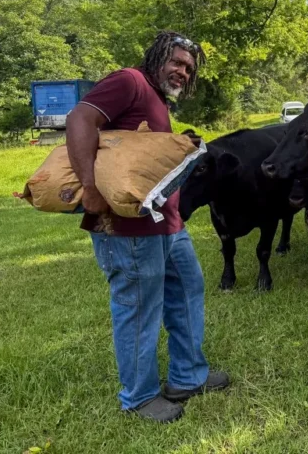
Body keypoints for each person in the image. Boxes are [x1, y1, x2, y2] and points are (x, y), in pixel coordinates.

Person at [66, 31, 229, 423]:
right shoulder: (129, 81)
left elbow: (135, 152)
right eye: (176, 62)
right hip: (127, 229)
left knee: (188, 290)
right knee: (139, 307)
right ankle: (139, 397)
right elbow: (79, 118)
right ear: (157, 57)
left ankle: (188, 376)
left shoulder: (155, 97)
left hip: (166, 223)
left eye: (188, 68)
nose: (183, 72)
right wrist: (89, 186)